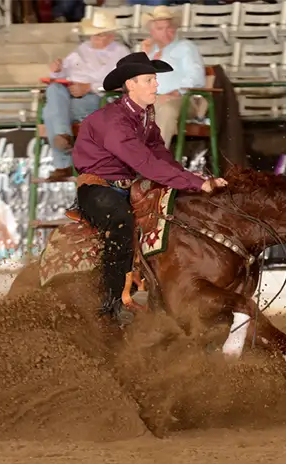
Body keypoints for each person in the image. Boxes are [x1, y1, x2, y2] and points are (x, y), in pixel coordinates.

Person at [72, 52, 228, 323]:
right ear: (130, 84)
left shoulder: (144, 115)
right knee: (121, 220)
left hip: (127, 186)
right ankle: (113, 303)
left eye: (155, 79)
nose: (156, 84)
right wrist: (196, 183)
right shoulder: (113, 121)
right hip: (98, 188)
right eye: (149, 80)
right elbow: (144, 162)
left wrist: (187, 178)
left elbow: (158, 152)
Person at [43, 11, 131, 175]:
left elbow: (125, 83)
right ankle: (63, 135)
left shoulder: (121, 53)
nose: (95, 38)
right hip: (70, 94)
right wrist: (57, 70)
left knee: (49, 112)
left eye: (100, 35)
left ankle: (63, 163)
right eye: (94, 34)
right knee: (53, 89)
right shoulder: (81, 49)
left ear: (111, 35)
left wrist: (90, 87)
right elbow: (63, 73)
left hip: (100, 98)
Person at [136, 6, 207, 148]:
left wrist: (175, 92)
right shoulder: (149, 50)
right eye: (160, 29)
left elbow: (196, 76)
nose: (166, 32)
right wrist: (144, 55)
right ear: (152, 32)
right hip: (153, 100)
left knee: (165, 109)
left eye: (169, 28)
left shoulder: (185, 47)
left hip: (182, 99)